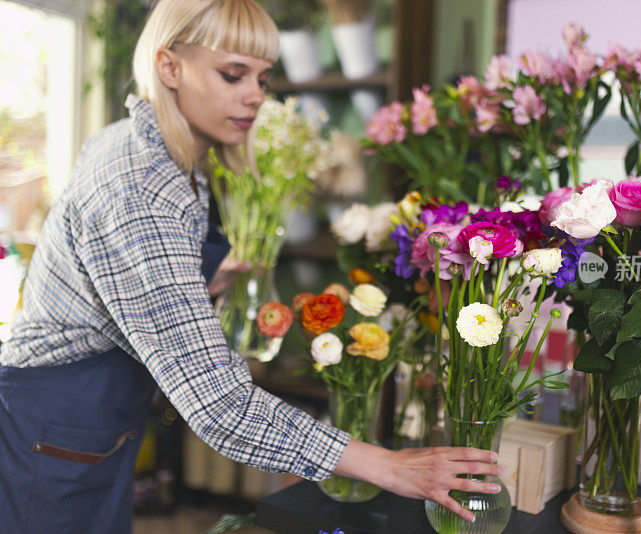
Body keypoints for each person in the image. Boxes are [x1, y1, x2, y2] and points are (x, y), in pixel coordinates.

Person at [0, 1, 501, 532]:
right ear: (169, 67)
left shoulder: (154, 149)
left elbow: (108, 276)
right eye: (232, 74)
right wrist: (391, 467)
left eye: (263, 77)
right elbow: (220, 405)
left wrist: (194, 280)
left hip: (88, 428)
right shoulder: (140, 184)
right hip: (50, 429)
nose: (255, 96)